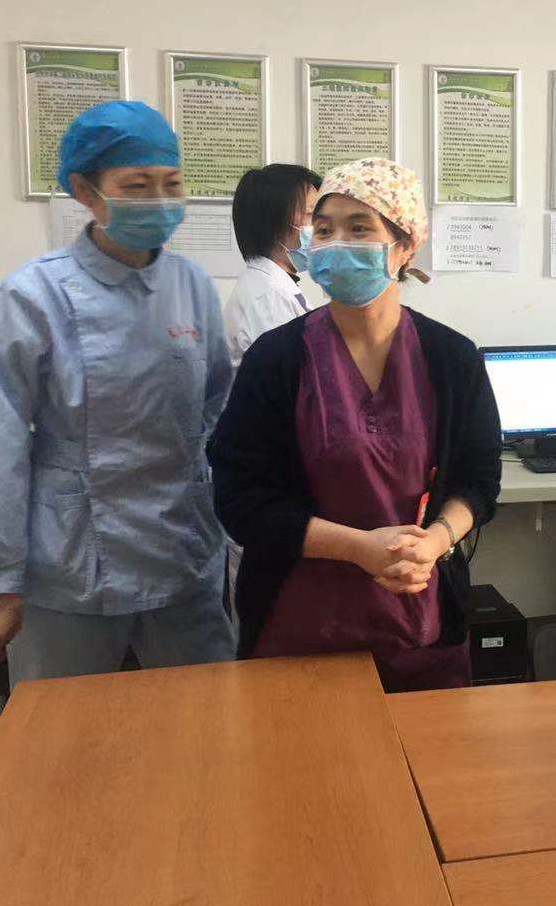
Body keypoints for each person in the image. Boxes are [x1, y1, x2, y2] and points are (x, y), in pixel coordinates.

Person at [0, 101, 236, 681]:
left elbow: (219, 413)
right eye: (137, 185)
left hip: (182, 550)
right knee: (63, 728)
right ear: (85, 191)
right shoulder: (32, 295)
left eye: (172, 183)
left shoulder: (192, 285)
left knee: (206, 719)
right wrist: (0, 584)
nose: (159, 200)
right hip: (72, 560)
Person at [207, 158, 502, 691]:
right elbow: (240, 498)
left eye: (359, 228)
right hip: (299, 627)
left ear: (406, 246)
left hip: (420, 625)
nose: (336, 242)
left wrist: (435, 541)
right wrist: (359, 548)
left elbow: (479, 480)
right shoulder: (277, 359)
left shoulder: (451, 357)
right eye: (323, 229)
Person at [223, 162, 323, 369]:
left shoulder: (273, 287)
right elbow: (290, 377)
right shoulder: (268, 298)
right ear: (275, 222)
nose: (321, 227)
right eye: (311, 215)